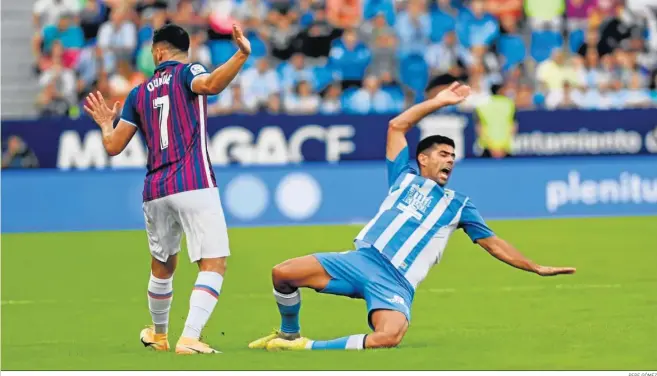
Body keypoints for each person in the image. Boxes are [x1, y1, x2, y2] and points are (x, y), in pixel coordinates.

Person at [248, 82, 576, 351]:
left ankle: (304, 347)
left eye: (453, 157)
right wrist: (438, 101)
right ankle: (288, 334)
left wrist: (533, 266)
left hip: (396, 282)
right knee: (282, 273)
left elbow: (493, 244)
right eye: (444, 154)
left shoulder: (459, 204)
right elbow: (397, 126)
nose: (450, 161)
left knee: (388, 337)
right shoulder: (402, 175)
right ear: (422, 158)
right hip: (361, 260)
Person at [83, 23, 251, 354]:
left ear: (159, 52)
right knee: (213, 262)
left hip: (155, 189)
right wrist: (242, 54)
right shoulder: (190, 72)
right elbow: (213, 84)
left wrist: (106, 123)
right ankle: (189, 337)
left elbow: (114, 146)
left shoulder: (138, 92)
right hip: (193, 181)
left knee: (162, 266)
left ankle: (159, 335)